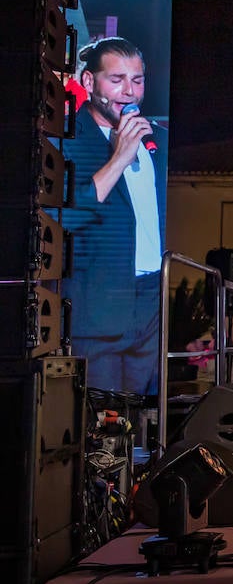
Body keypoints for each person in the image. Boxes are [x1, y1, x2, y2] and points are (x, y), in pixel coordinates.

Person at [62, 37, 168, 396]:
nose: (129, 92)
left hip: (150, 300)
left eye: (137, 81)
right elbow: (63, 218)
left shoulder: (155, 140)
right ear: (90, 83)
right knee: (98, 418)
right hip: (97, 303)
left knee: (141, 418)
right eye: (116, 79)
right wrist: (119, 157)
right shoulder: (67, 139)